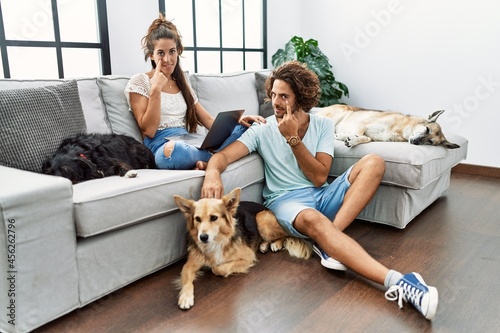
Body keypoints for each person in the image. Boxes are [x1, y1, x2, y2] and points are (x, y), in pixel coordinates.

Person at [200, 61, 439, 320]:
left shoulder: (322, 125)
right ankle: (400, 283)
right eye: (273, 95)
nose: (275, 102)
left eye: (284, 96)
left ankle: (329, 242)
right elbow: (222, 157)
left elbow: (319, 176)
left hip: (322, 194)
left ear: (300, 98)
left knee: (374, 162)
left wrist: (293, 139)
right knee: (314, 220)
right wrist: (213, 172)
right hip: (287, 203)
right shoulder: (262, 129)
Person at [125, 13, 265, 170]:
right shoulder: (139, 81)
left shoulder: (181, 82)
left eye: (172, 51)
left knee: (253, 128)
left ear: (178, 51)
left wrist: (238, 121)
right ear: (151, 55)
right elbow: (149, 131)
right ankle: (218, 158)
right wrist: (156, 88)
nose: (167, 59)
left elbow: (209, 121)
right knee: (174, 152)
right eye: (160, 53)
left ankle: (210, 159)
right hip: (163, 147)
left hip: (191, 142)